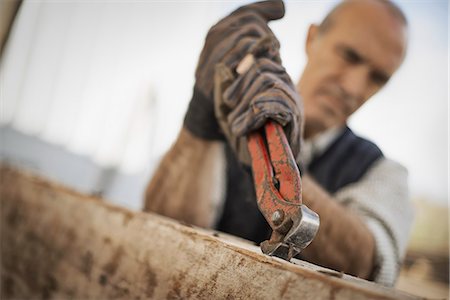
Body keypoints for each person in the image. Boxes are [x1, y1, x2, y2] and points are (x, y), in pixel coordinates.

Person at [144, 0, 414, 287]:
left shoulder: (383, 172)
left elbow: (368, 267)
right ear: (312, 38)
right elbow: (161, 227)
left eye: (377, 78)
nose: (354, 87)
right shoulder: (221, 128)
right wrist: (202, 116)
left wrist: (282, 155)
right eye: (349, 55)